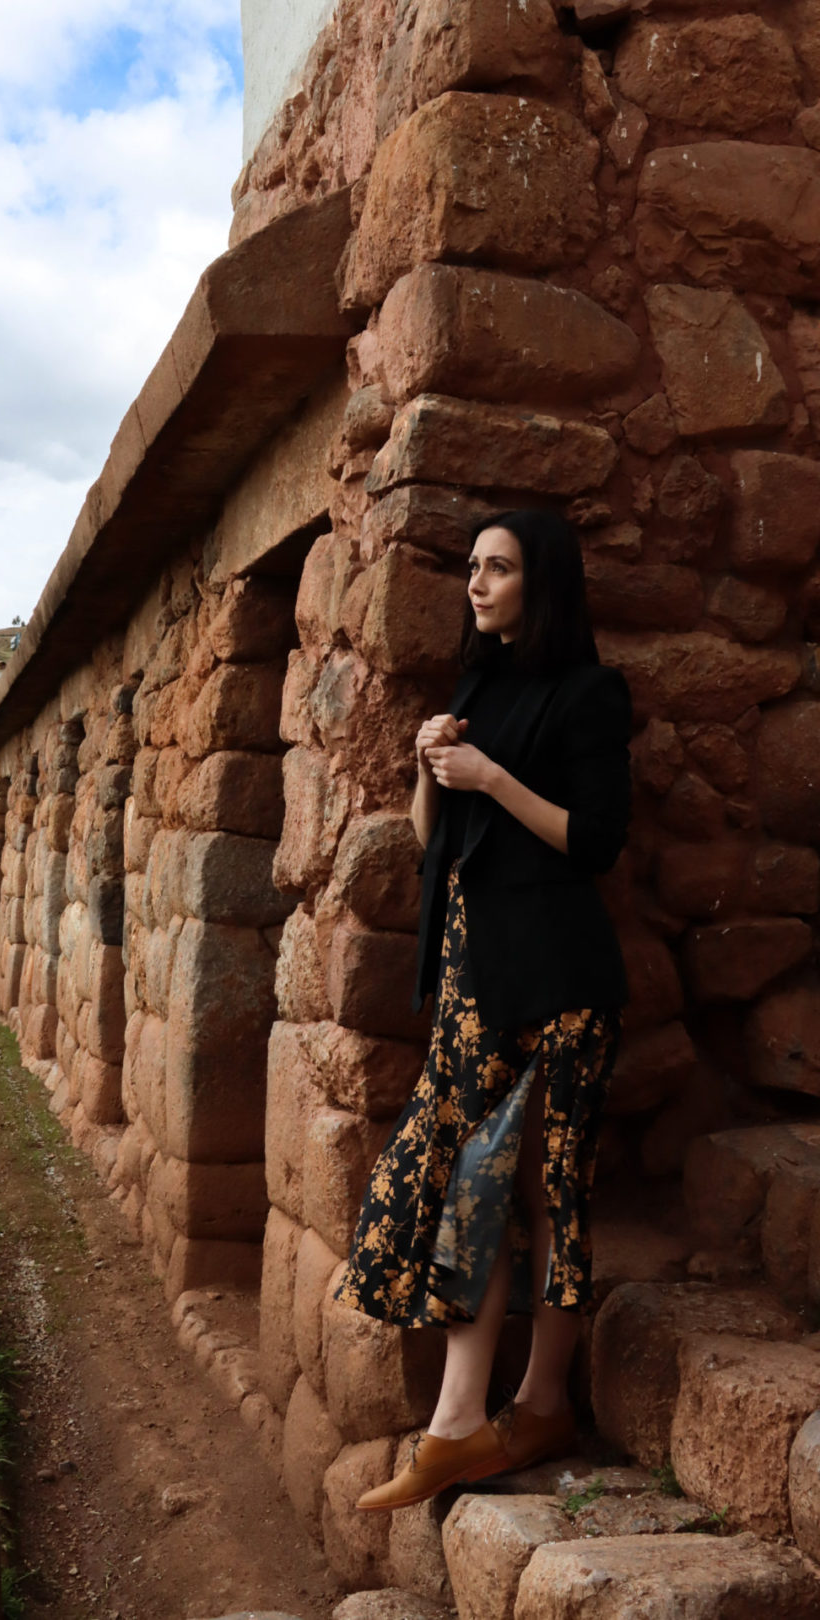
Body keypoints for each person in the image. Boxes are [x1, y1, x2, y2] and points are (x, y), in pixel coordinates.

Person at [334, 508, 632, 1514]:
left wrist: (493, 777)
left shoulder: (589, 695)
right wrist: (430, 765)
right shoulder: (477, 689)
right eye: (471, 566)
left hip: (557, 984)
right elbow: (433, 841)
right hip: (476, 987)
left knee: (546, 1191)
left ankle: (530, 1406)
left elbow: (594, 842)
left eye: (497, 568)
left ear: (539, 582)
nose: (476, 582)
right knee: (476, 1185)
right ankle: (463, 1424)